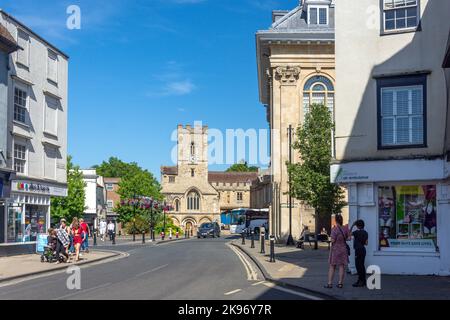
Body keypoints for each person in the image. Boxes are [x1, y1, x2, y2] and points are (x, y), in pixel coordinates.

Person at [325, 214, 350, 289]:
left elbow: (332, 240)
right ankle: (340, 283)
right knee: (342, 266)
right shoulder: (345, 228)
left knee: (332, 266)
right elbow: (349, 238)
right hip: (343, 249)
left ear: (336, 220)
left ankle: (329, 283)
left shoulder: (334, 229)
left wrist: (330, 240)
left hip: (335, 250)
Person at [350, 219, 368, 287]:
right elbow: (366, 243)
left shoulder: (356, 232)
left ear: (357, 226)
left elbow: (348, 234)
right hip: (363, 250)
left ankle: (360, 281)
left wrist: (352, 225)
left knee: (358, 266)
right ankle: (363, 281)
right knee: (362, 266)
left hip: (358, 250)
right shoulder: (366, 233)